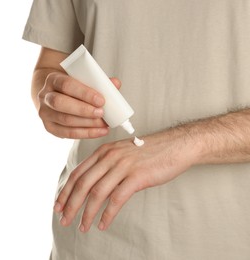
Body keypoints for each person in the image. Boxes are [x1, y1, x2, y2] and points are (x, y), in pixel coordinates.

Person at [22, 1, 250, 259]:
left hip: (228, 239)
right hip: (92, 235)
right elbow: (50, 66)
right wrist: (54, 101)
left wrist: (186, 142)